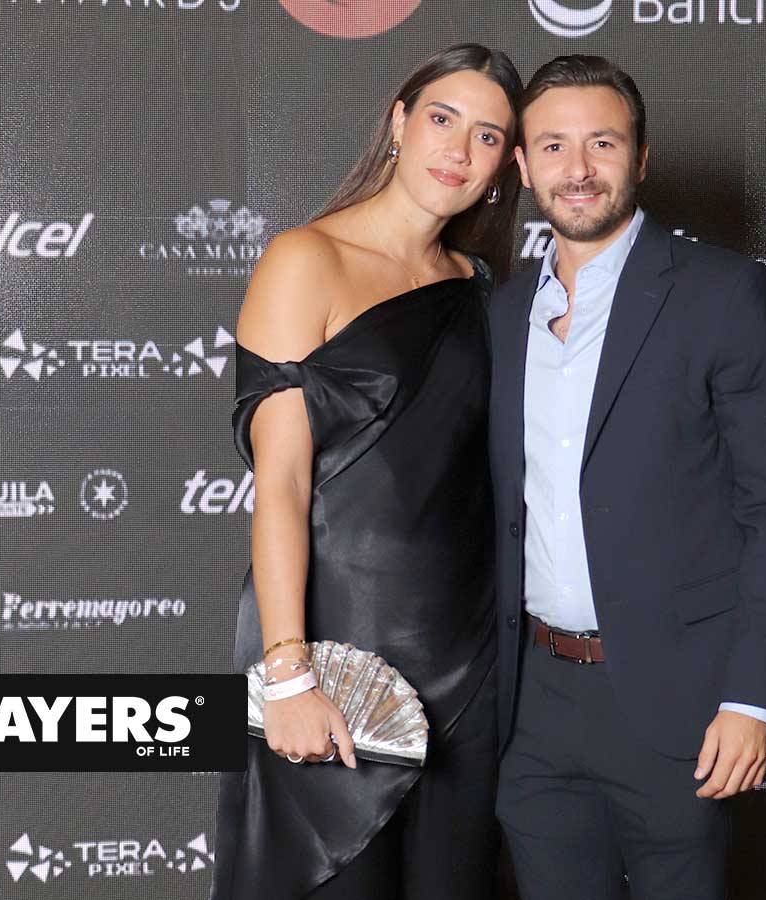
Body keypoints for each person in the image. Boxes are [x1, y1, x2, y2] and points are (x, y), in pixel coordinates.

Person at [488, 55, 766, 899]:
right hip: (532, 706)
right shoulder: (501, 311)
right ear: (522, 165)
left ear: (640, 157)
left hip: (681, 702)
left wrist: (752, 699)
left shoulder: (723, 294)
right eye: (553, 146)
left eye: (602, 143)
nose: (578, 168)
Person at [208, 43, 522, 900]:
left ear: (505, 166)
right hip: (335, 652)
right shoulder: (304, 259)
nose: (458, 150)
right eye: (442, 119)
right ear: (398, 123)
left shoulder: (483, 288)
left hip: (467, 658)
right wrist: (290, 674)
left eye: (487, 136)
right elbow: (281, 485)